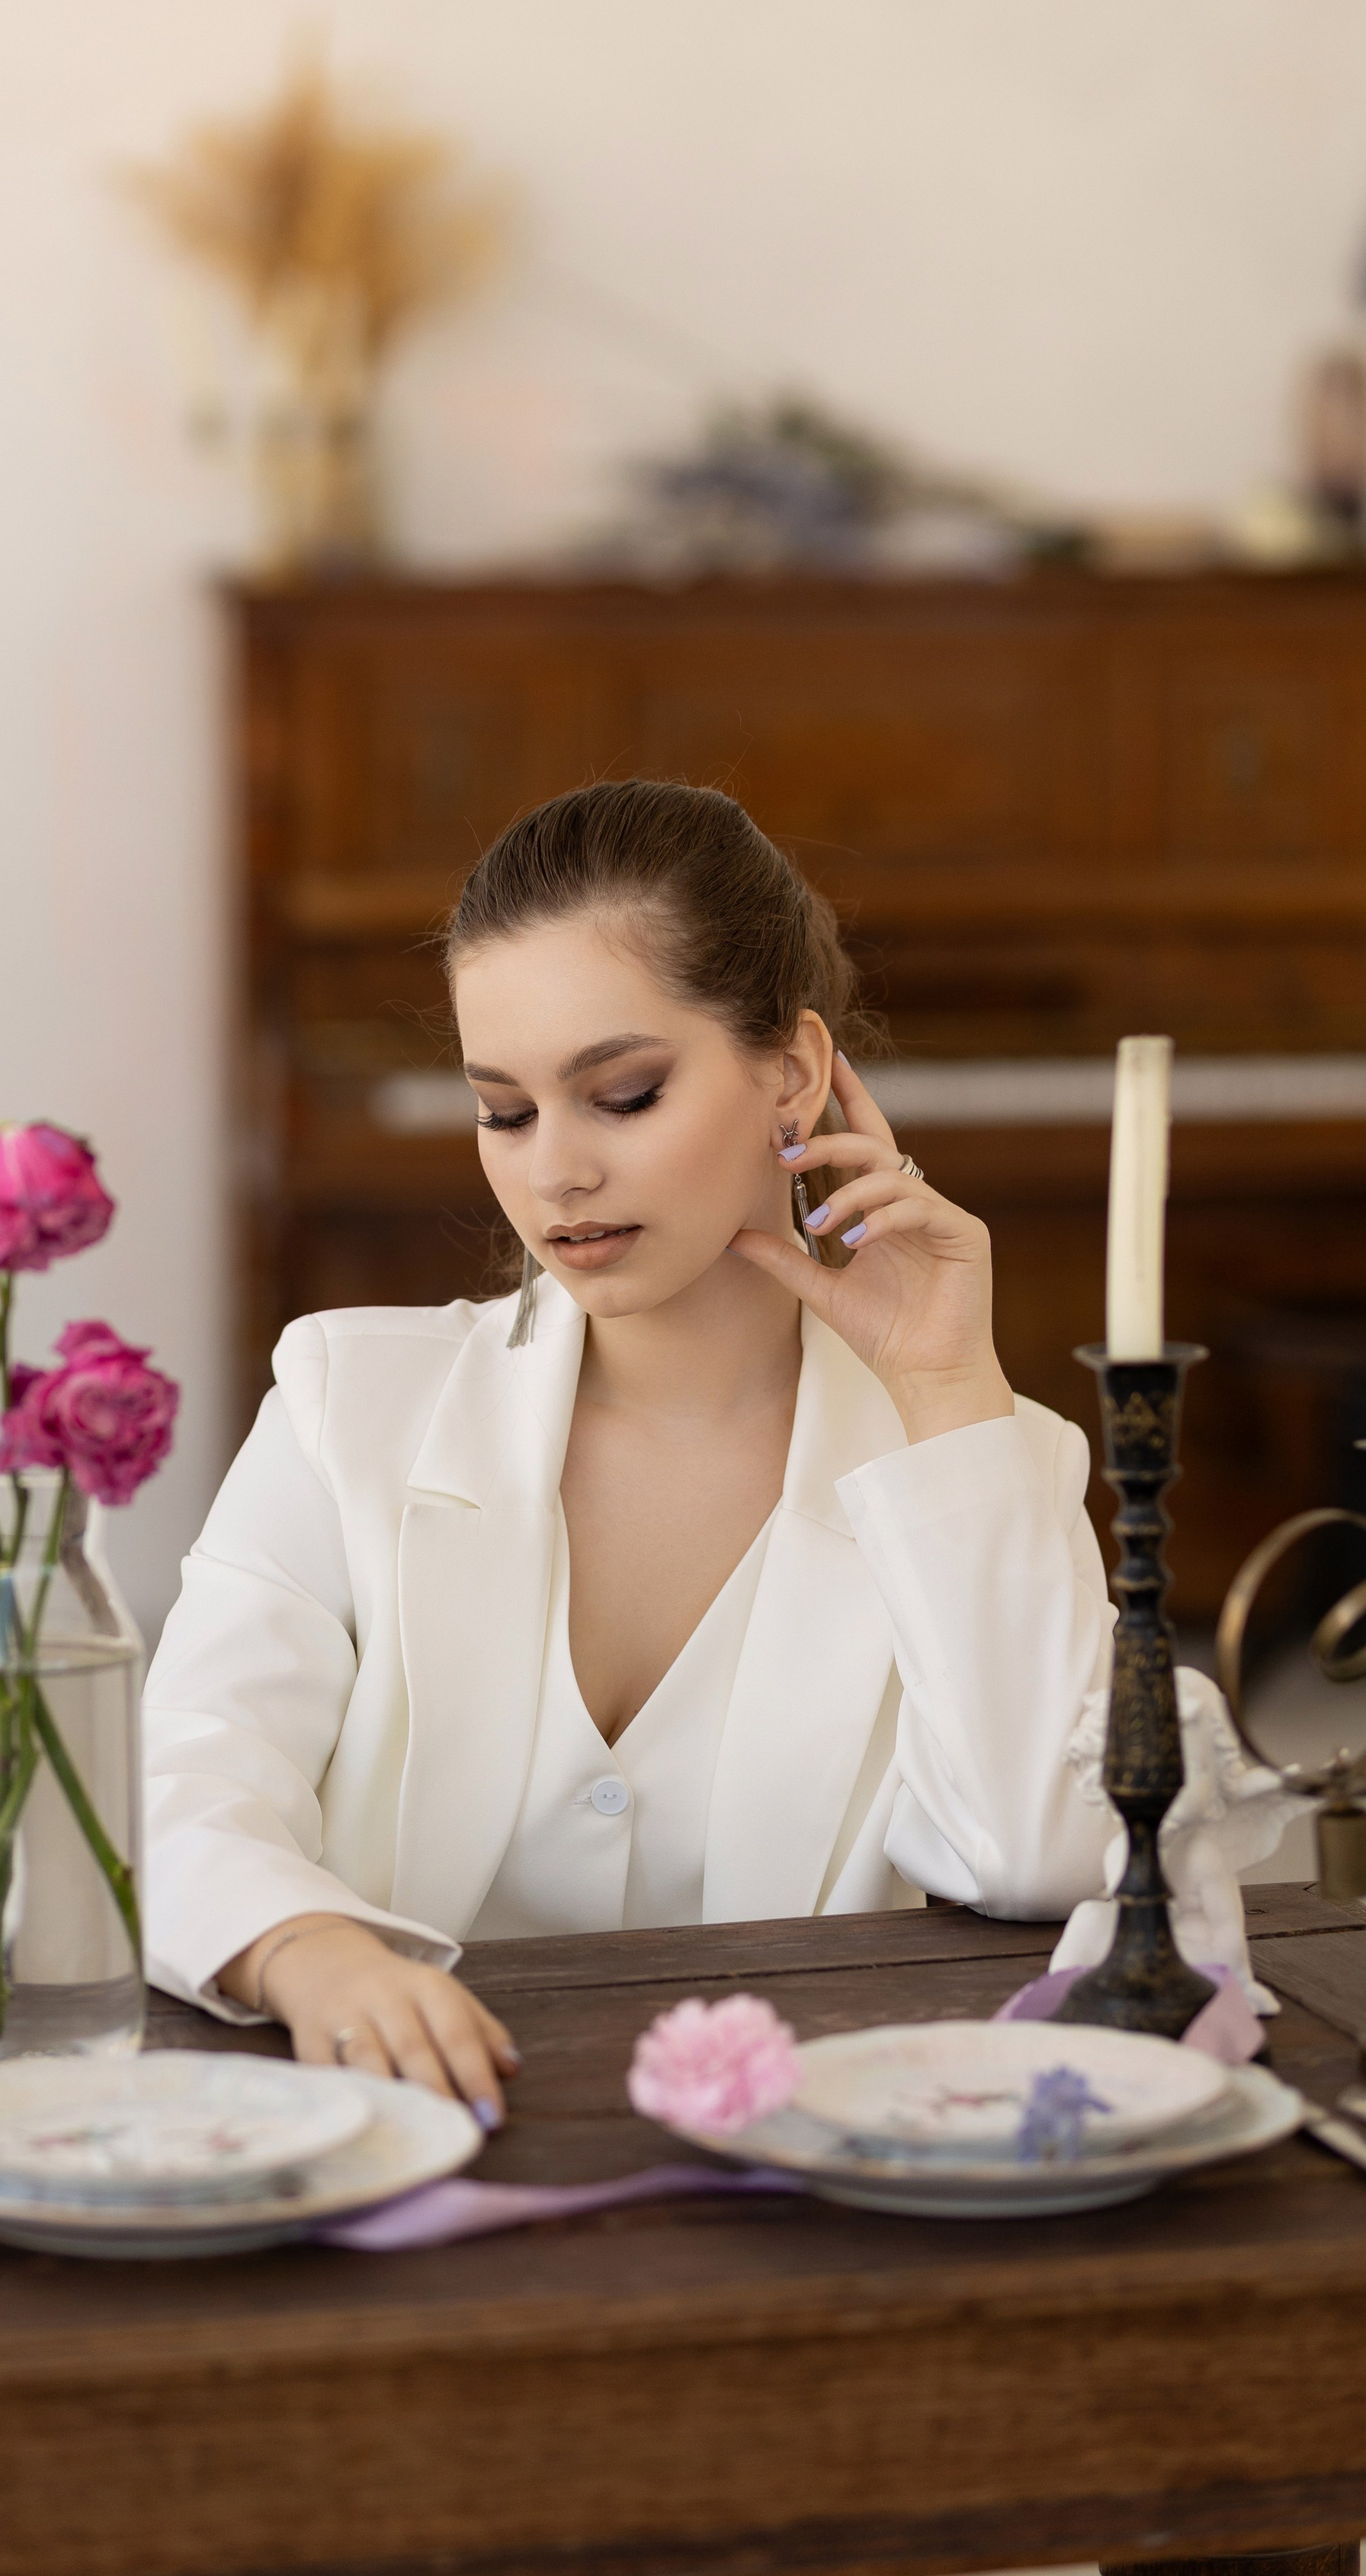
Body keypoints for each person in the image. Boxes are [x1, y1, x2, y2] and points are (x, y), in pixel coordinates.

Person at [143, 780, 1115, 2126]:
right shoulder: (344, 1401)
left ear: (794, 1072)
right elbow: (191, 1776)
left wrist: (945, 1385)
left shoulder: (975, 1461)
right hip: (411, 2167)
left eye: (624, 1093)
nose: (556, 1175)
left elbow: (1047, 1857)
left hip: (803, 2201)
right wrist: (305, 1950)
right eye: (506, 1111)